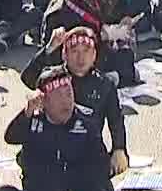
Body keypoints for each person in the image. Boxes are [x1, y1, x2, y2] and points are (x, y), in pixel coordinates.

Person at [0, 66, 116, 191]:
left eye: (69, 95)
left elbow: (99, 167)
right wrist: (26, 113)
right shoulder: (33, 120)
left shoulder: (86, 123)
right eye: (59, 97)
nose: (66, 102)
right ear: (44, 102)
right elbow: (10, 137)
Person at [18, 26, 131, 176]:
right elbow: (28, 77)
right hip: (53, 149)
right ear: (64, 55)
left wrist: (119, 148)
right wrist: (49, 48)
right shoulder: (52, 78)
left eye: (86, 51)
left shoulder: (105, 84)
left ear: (94, 55)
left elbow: (116, 120)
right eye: (74, 51)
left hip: (87, 151)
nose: (81, 58)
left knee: (109, 166)